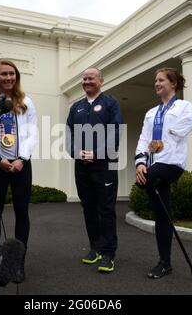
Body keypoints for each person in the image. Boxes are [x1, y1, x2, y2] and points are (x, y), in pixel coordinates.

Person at [0, 59, 38, 283]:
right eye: (4, 74)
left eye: (12, 74)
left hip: (21, 164)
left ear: (16, 77)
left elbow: (33, 133)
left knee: (22, 213)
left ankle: (17, 265)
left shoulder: (26, 102)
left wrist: (22, 158)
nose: (8, 78)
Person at [135, 67, 192, 279]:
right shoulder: (151, 112)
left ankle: (165, 257)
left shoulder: (184, 106)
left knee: (145, 181)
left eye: (161, 80)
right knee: (162, 215)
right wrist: (140, 162)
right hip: (153, 164)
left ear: (173, 83)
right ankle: (165, 262)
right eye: (155, 81)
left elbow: (186, 126)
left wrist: (161, 139)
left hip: (171, 163)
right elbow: (143, 138)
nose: (157, 83)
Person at [66, 67, 123, 273]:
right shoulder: (76, 107)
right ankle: (95, 248)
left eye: (91, 78)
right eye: (84, 78)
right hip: (81, 166)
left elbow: (116, 132)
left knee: (106, 209)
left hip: (106, 165)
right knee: (88, 207)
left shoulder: (111, 103)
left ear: (101, 80)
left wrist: (97, 153)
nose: (87, 81)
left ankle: (109, 253)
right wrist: (76, 152)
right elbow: (69, 134)